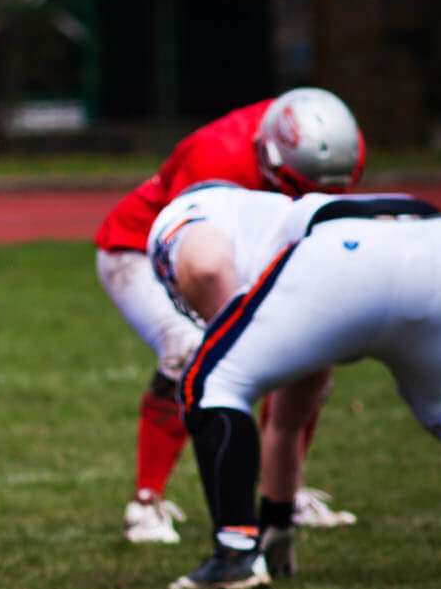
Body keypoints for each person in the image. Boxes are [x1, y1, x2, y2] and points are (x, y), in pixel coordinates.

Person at [147, 184, 441, 589]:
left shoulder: (185, 215)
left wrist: (228, 336)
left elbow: (206, 267)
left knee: (212, 383)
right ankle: (266, 535)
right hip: (438, 239)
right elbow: (295, 400)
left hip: (345, 247)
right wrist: (278, 522)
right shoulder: (271, 215)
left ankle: (234, 553)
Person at [93, 90, 364, 544]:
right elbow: (193, 257)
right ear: (269, 157)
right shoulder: (213, 157)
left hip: (238, 249)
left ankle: (284, 493)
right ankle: (145, 503)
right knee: (190, 352)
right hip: (143, 250)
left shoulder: (331, 142)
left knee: (305, 348)